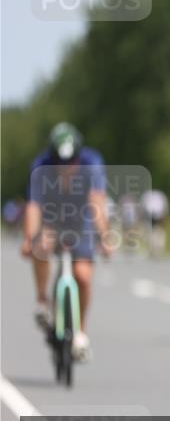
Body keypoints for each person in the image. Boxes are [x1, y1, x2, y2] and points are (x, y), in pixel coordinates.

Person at [20, 122, 112, 362]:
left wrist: (104, 237)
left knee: (82, 275)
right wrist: (30, 239)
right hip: (52, 215)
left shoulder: (91, 163)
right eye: (60, 164)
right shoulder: (41, 166)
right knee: (41, 246)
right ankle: (42, 299)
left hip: (80, 218)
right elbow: (34, 207)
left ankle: (80, 333)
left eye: (70, 163)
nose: (65, 168)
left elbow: (97, 202)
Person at [140, 188, 169, 257]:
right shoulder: (149, 195)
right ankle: (153, 249)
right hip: (151, 217)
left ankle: (157, 249)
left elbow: (164, 207)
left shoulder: (159, 195)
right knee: (152, 233)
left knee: (158, 233)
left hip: (158, 217)